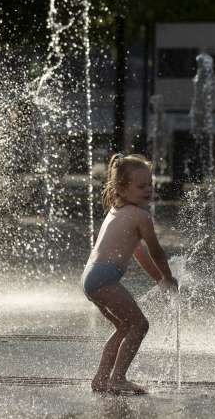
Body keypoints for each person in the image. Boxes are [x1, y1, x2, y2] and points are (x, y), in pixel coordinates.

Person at [82, 153, 178, 395]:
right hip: (104, 278)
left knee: (125, 327)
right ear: (122, 189)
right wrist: (168, 277)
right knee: (140, 325)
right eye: (141, 186)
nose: (148, 190)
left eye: (150, 185)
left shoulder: (118, 210)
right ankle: (118, 379)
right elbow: (156, 251)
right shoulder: (141, 216)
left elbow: (140, 254)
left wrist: (158, 279)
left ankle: (102, 379)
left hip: (91, 278)